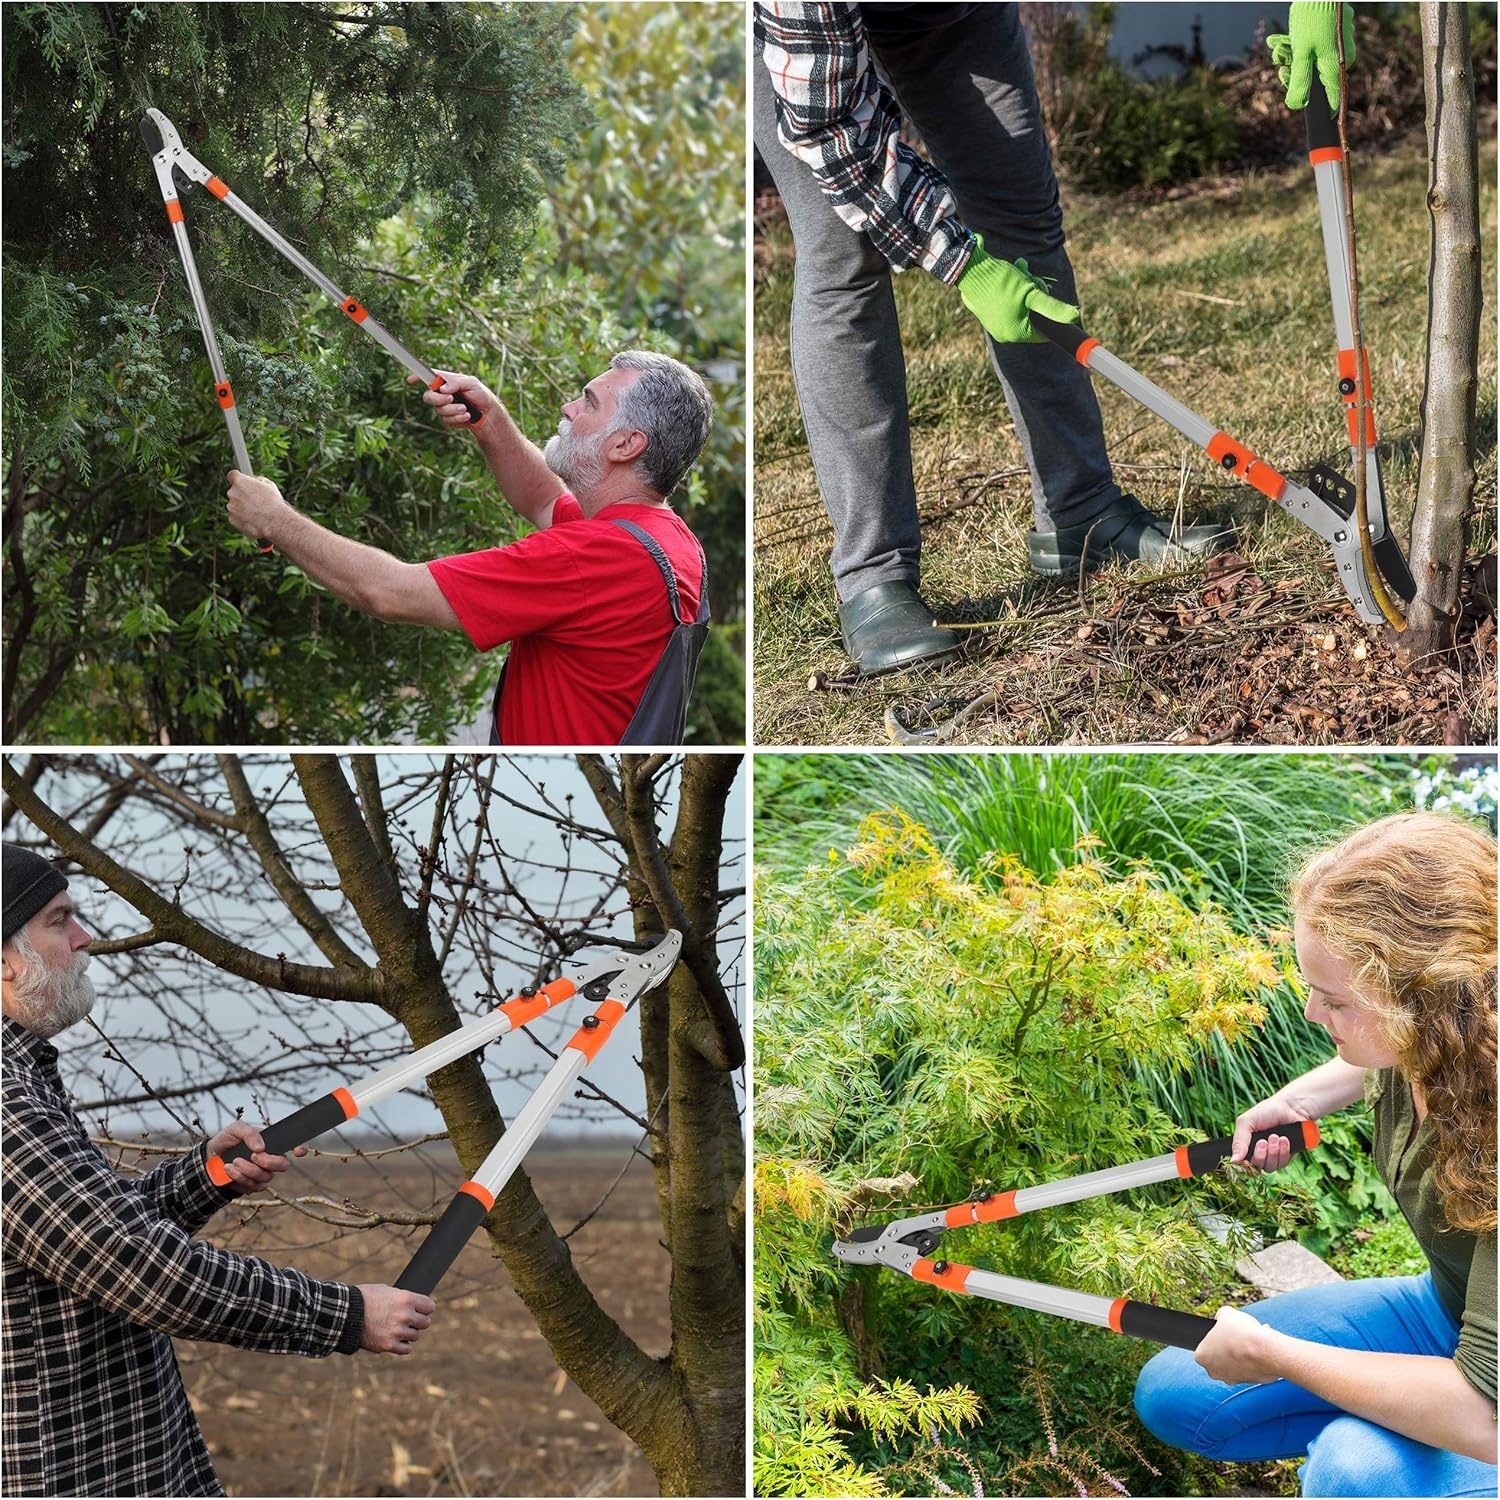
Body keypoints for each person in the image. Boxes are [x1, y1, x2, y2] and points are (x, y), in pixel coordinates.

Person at [1, 844, 436, 1498]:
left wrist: (205, 1178)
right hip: (67, 1475)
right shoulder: (4, 1103)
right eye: (60, 921)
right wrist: (347, 1314)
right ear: (6, 960)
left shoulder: (24, 1080)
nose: (86, 937)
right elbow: (134, 1264)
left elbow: (85, 1236)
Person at [1134, 811, 1497, 1498]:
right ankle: (1406, 1421)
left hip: (1490, 1401)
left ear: (1423, 993)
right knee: (1180, 1388)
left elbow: (1488, 1416)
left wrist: (1277, 1357)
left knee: (1355, 1472)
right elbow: (1374, 1063)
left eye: (1333, 999)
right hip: (1452, 1319)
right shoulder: (1445, 1039)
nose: (1308, 1012)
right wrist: (1300, 1103)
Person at [226, 349, 713, 745]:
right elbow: (544, 497)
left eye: (588, 402)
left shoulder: (592, 557)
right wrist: (490, 420)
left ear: (626, 445)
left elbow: (390, 592)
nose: (568, 407)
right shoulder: (667, 541)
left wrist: (275, 519)